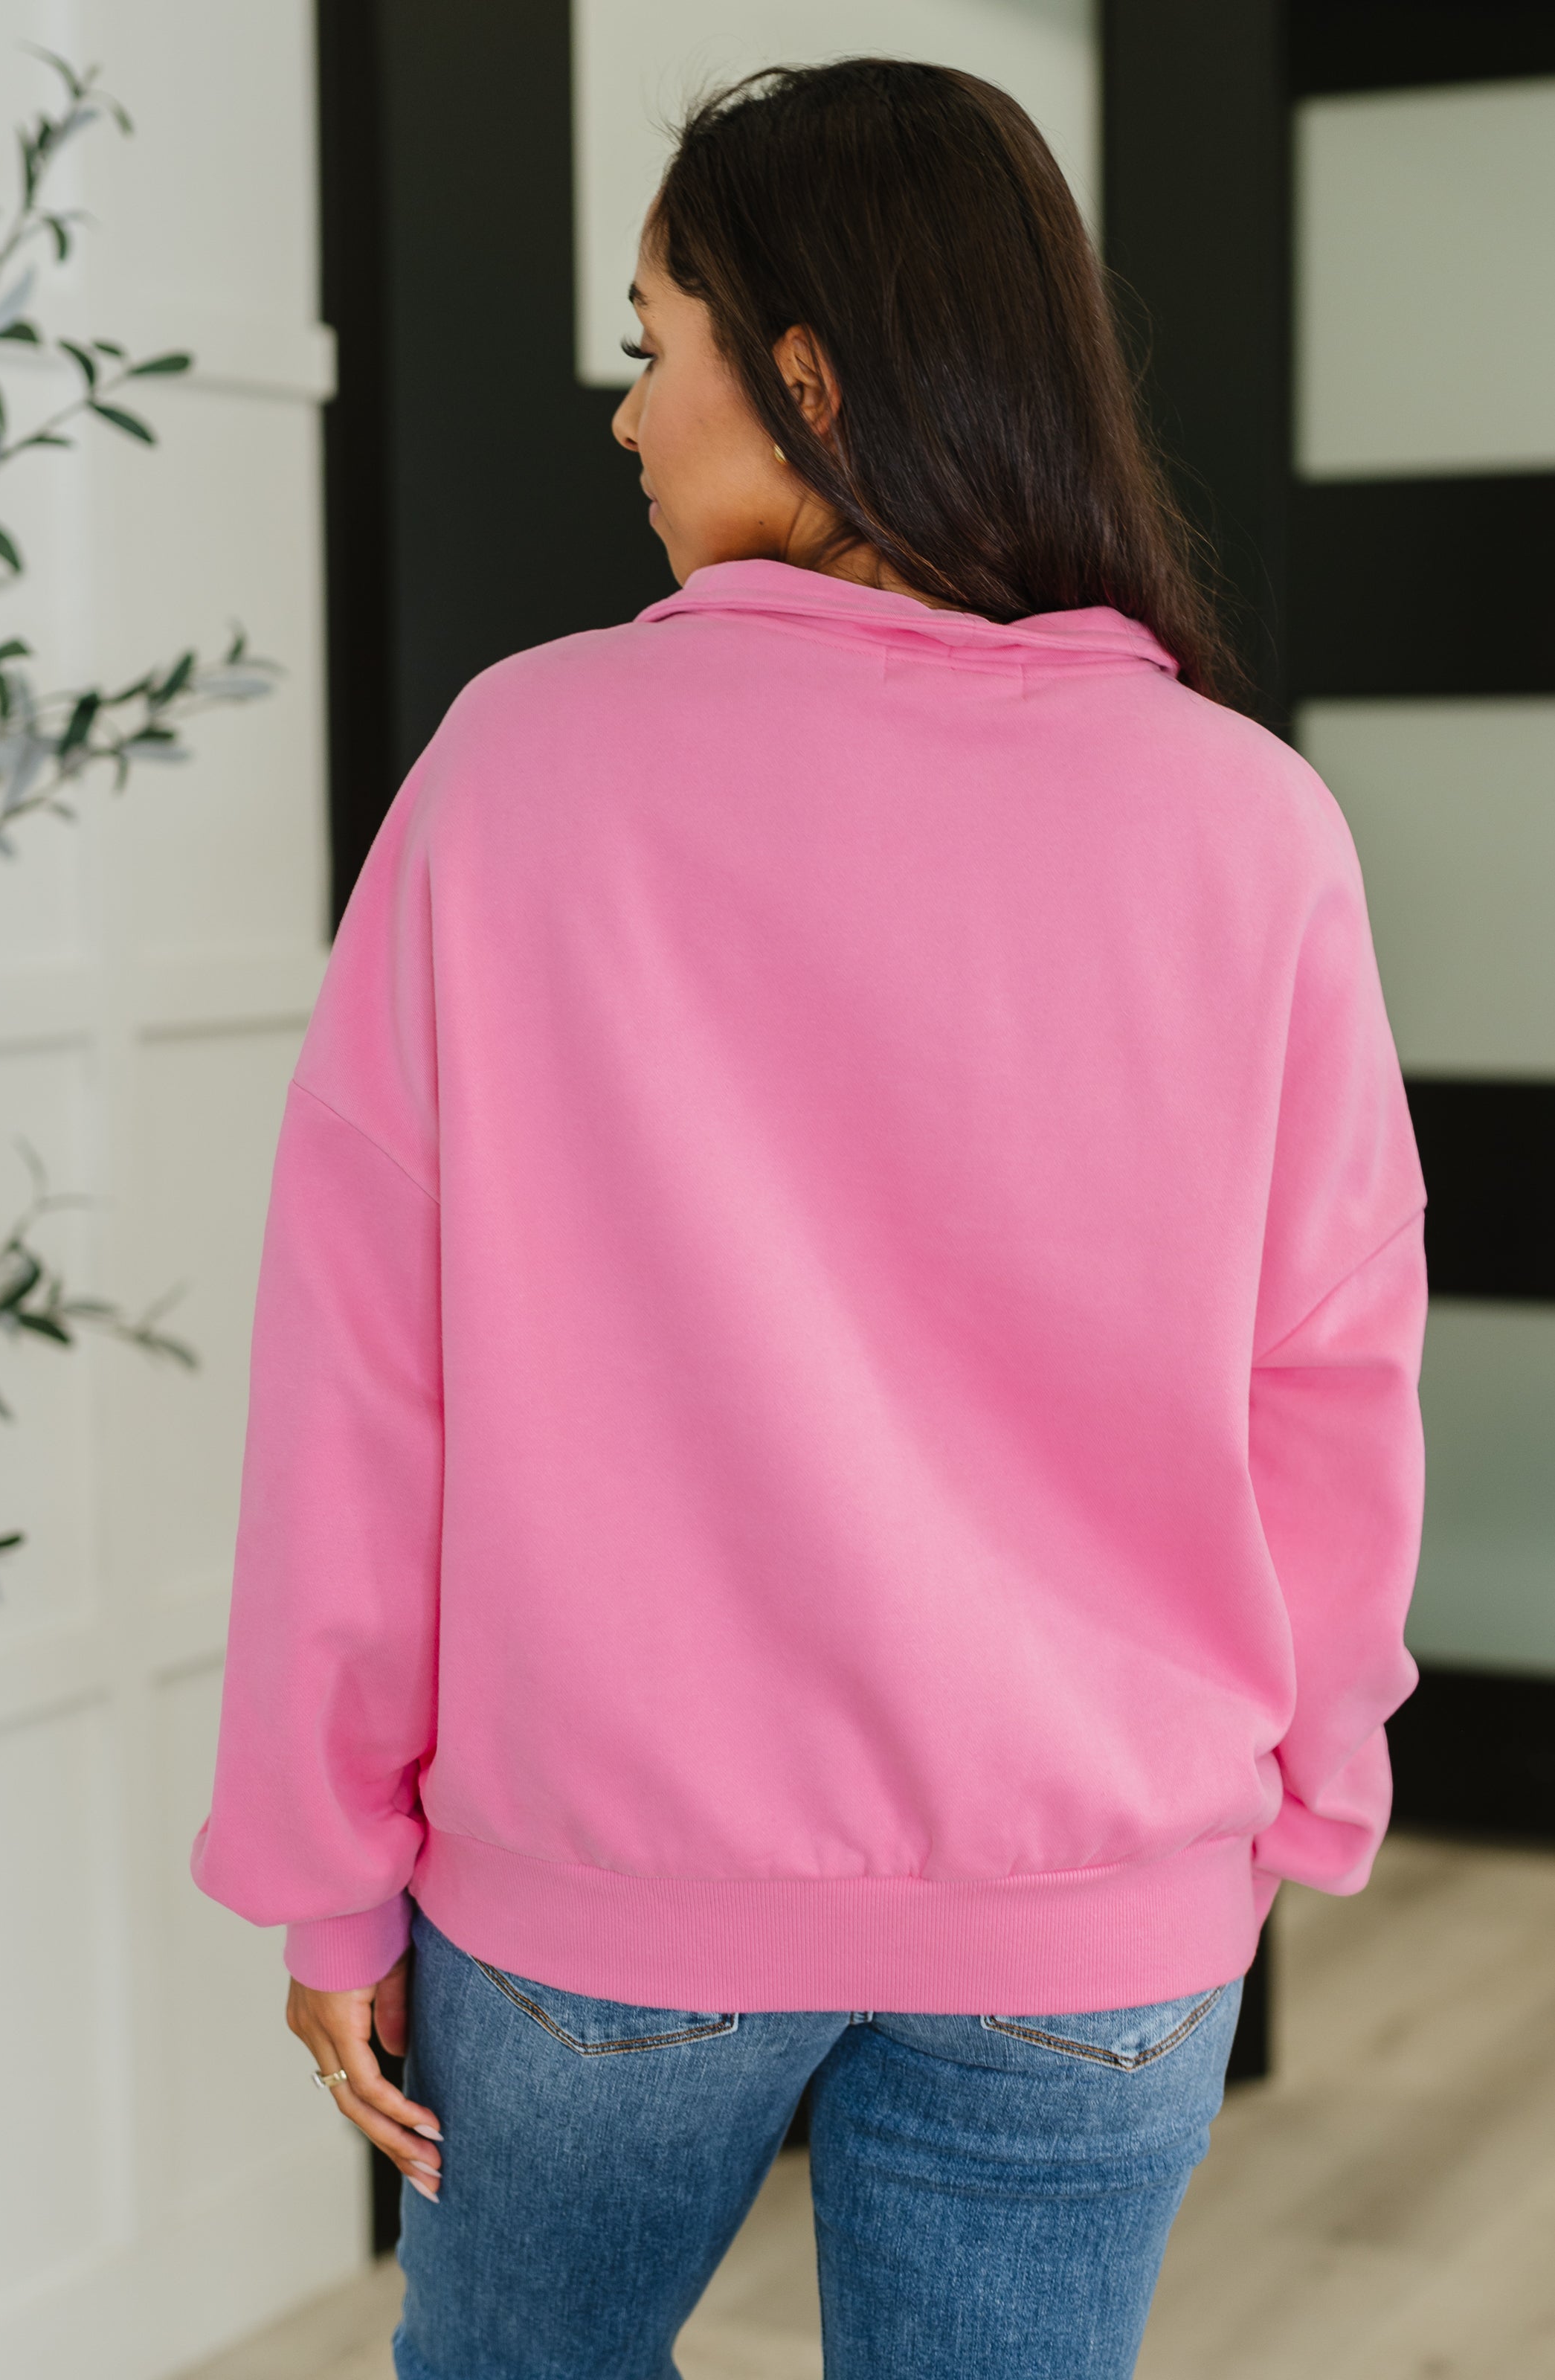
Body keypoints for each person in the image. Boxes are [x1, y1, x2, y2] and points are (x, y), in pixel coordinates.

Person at [193, 59, 1426, 2380]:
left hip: (602, 1902)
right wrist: (1309, 1790)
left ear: (810, 380)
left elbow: (365, 1367)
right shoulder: (1245, 822)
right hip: (1099, 1908)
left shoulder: (520, 768)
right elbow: (1332, 1366)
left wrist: (326, 1865)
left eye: (650, 341)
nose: (626, 412)